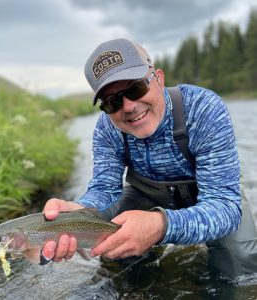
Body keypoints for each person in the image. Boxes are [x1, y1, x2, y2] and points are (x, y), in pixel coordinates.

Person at [41, 38, 257, 280]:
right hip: (146, 195)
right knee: (115, 250)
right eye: (113, 102)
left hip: (213, 196)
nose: (129, 106)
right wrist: (76, 212)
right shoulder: (107, 128)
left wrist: (160, 226)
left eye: (135, 88)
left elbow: (225, 206)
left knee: (242, 266)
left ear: (159, 78)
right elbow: (104, 190)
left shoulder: (203, 108)